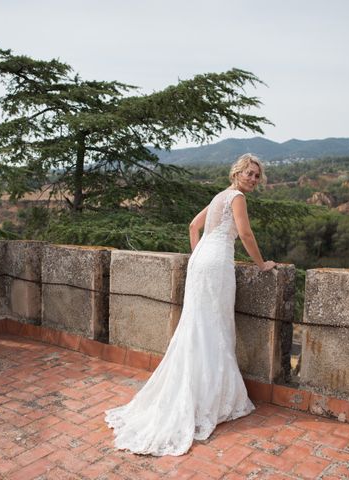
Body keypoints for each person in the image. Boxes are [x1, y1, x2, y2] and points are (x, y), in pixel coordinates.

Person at [105, 153, 276, 456]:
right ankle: (208, 398)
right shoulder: (236, 198)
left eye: (257, 175)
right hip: (216, 264)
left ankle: (196, 392)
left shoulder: (219, 196)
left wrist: (199, 256)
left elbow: (192, 227)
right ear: (236, 173)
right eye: (249, 173)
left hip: (202, 262)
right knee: (214, 326)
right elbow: (246, 233)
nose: (252, 178)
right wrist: (262, 265)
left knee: (198, 324)